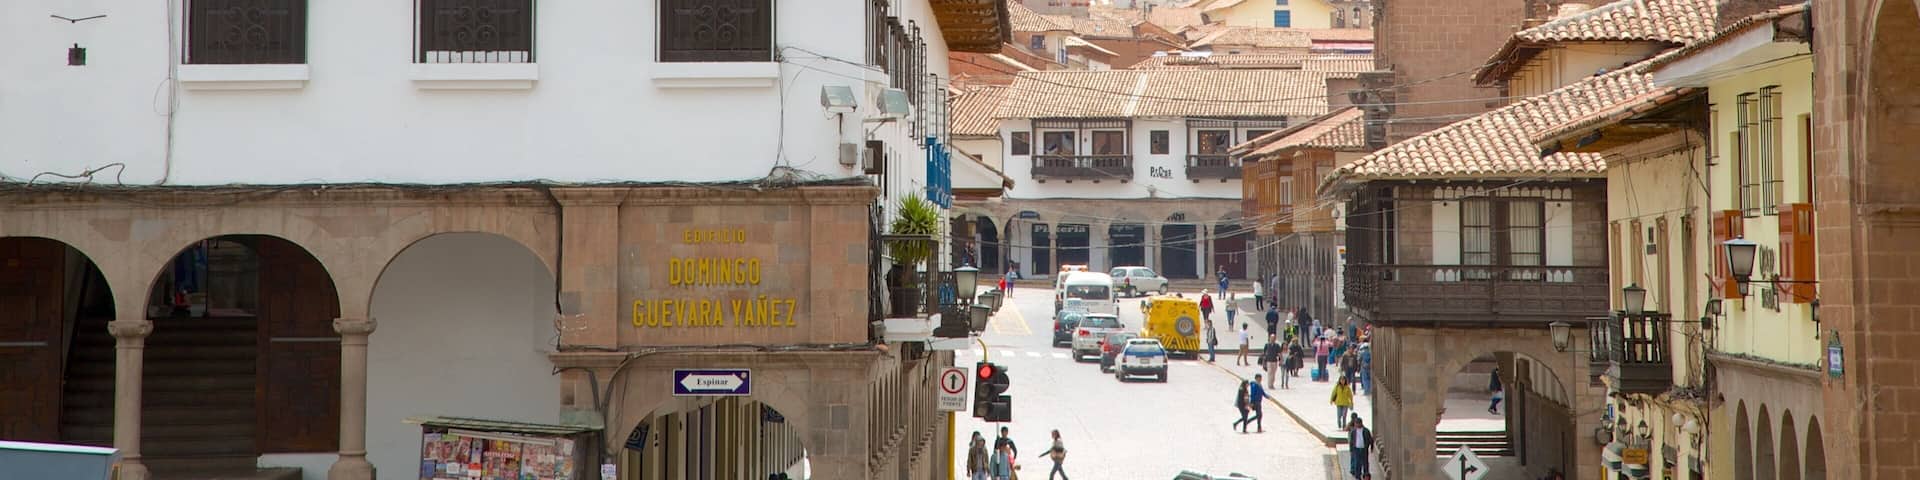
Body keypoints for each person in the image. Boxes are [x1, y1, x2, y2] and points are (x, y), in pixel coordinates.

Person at [1348, 415, 1373, 480]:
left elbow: (1370, 439)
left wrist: (1371, 447)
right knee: (1357, 463)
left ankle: (1366, 475)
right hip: (1356, 449)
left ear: (1361, 423)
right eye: (1356, 423)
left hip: (1364, 449)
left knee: (1365, 463)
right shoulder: (1353, 431)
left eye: (1358, 423)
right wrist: (1351, 450)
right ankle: (1358, 476)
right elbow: (1351, 441)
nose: (1357, 425)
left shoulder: (1366, 430)